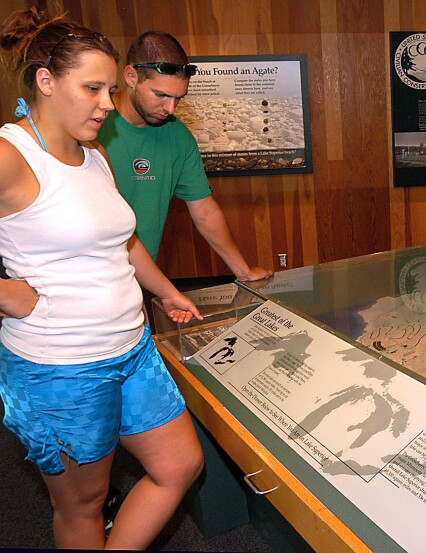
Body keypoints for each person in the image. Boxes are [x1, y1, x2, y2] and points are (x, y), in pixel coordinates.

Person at [0, 8, 205, 549]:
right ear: (45, 81)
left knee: (179, 465)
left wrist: (167, 291)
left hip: (131, 347)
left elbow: (124, 240)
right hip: (60, 367)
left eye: (111, 89)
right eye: (92, 88)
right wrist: (6, 295)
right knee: (84, 505)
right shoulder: (9, 155)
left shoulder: (94, 155)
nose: (106, 105)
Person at [96, 31, 272, 282]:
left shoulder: (178, 137)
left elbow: (204, 211)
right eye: (161, 95)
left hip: (138, 282)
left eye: (178, 98)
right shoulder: (92, 126)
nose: (170, 109)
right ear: (131, 76)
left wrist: (243, 271)